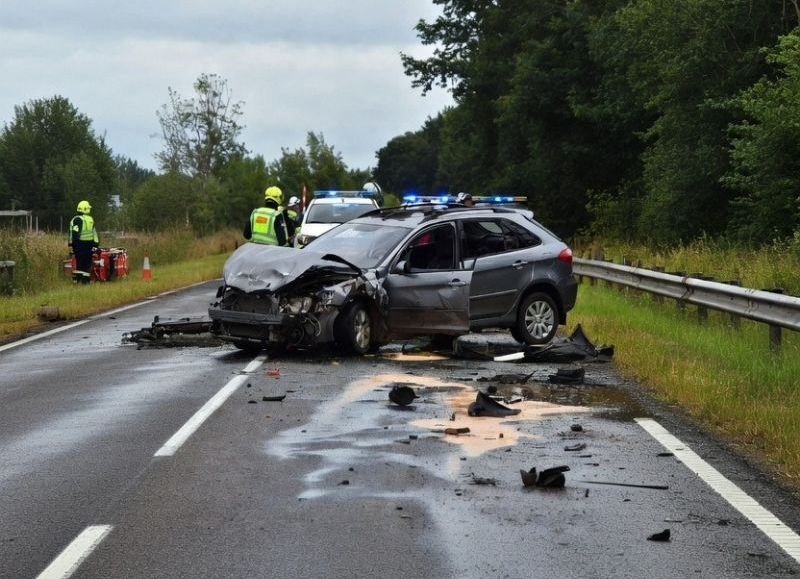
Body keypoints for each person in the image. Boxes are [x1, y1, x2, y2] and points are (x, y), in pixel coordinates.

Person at [69, 200, 99, 284]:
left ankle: (78, 281)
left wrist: (73, 245)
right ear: (85, 209)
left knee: (80, 263)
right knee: (87, 263)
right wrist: (96, 245)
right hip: (89, 245)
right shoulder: (90, 219)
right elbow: (94, 233)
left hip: (79, 245)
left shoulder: (77, 219)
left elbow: (75, 233)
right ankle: (85, 281)